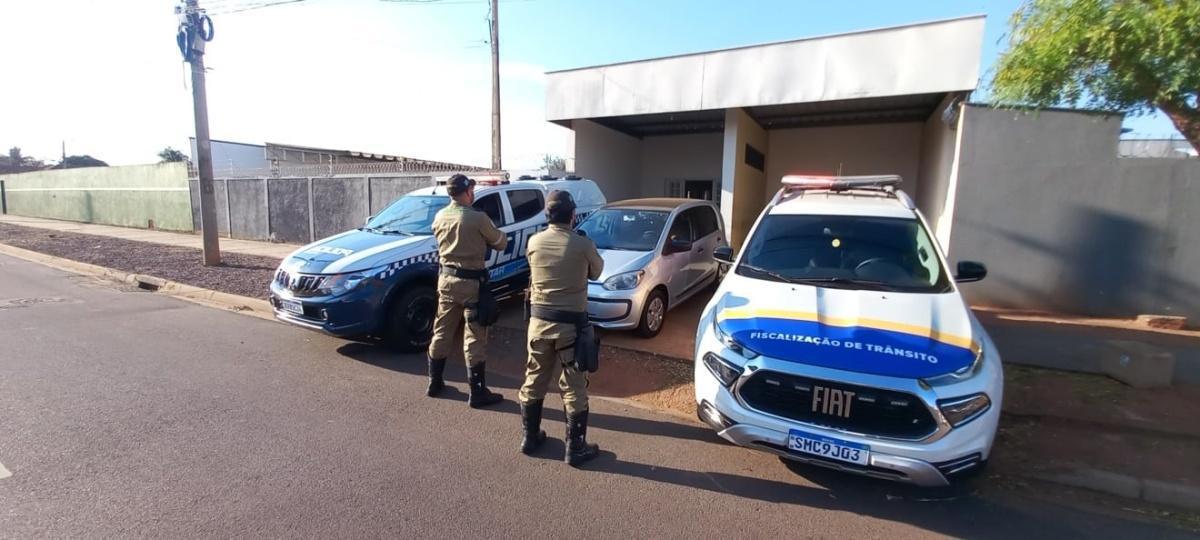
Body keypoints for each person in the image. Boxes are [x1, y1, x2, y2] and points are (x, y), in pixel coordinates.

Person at [519, 190, 604, 466]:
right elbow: (597, 272)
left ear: (547, 215)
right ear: (572, 215)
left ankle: (530, 439)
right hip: (570, 329)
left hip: (538, 324)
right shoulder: (582, 245)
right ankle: (575, 449)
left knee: (534, 378)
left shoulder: (534, 242)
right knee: (574, 386)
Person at [427, 174, 507, 409]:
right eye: (471, 189)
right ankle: (477, 392)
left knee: (441, 330)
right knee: (474, 336)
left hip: (446, 281)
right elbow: (500, 242)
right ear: (467, 192)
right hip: (472, 285)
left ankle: (435, 382)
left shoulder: (440, 216)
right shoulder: (477, 218)